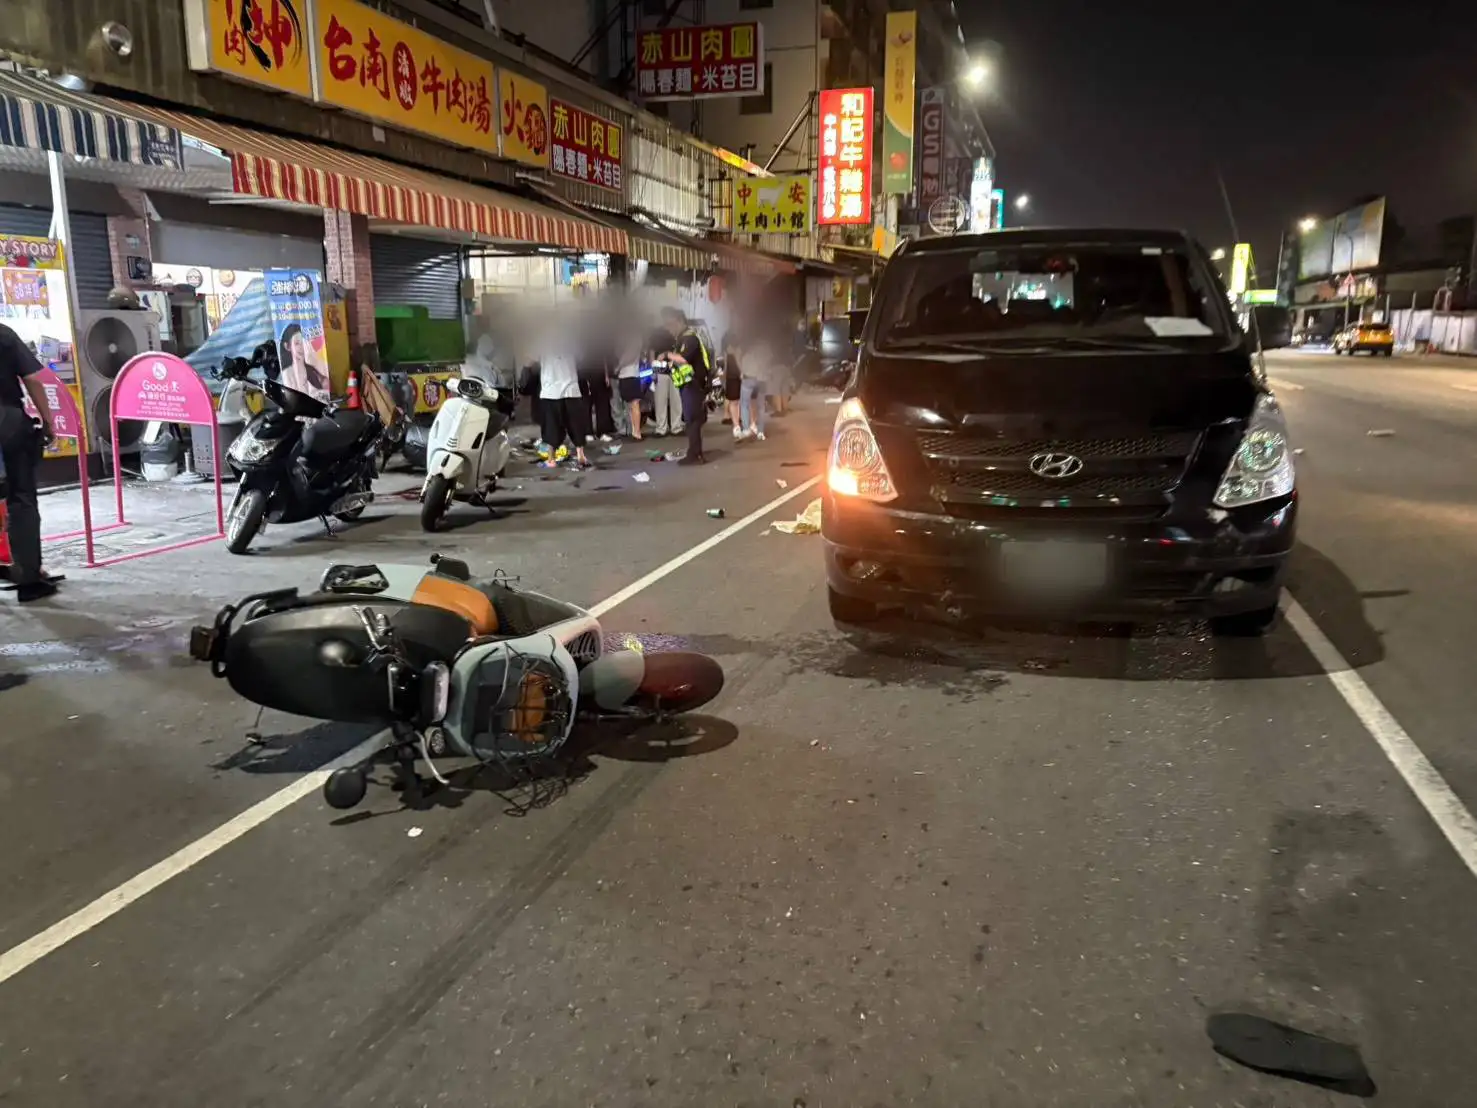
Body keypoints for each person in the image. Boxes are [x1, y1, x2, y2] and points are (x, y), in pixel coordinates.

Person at [0, 323, 56, 602]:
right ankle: (29, 579)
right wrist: (48, 421)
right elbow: (33, 379)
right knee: (21, 499)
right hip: (6, 421)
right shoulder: (3, 334)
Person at [660, 307, 711, 466]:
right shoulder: (684, 338)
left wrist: (667, 354)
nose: (670, 330)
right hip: (689, 384)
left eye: (671, 325)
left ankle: (695, 455)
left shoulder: (690, 338)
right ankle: (694, 452)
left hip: (694, 385)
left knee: (692, 420)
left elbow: (682, 359)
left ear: (679, 322)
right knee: (691, 420)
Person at [537, 331, 592, 469]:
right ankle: (580, 455)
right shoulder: (571, 339)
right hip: (571, 388)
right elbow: (580, 358)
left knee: (552, 426)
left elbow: (531, 359)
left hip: (551, 391)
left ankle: (551, 460)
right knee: (576, 424)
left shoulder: (541, 340)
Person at [649, 321, 684, 437]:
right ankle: (661, 428)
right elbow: (652, 351)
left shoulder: (679, 334)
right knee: (660, 400)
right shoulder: (657, 333)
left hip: (676, 369)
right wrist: (653, 369)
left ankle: (676, 427)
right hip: (660, 369)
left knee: (676, 399)